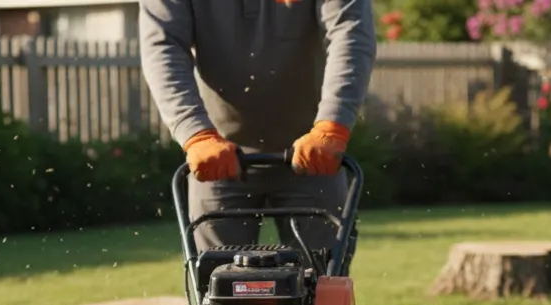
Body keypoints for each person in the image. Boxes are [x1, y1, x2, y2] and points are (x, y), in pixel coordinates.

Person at [139, 0, 376, 254]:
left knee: (324, 274)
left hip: (313, 153)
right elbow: (163, 47)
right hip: (217, 157)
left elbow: (350, 35)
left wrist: (332, 127)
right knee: (215, 274)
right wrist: (195, 134)